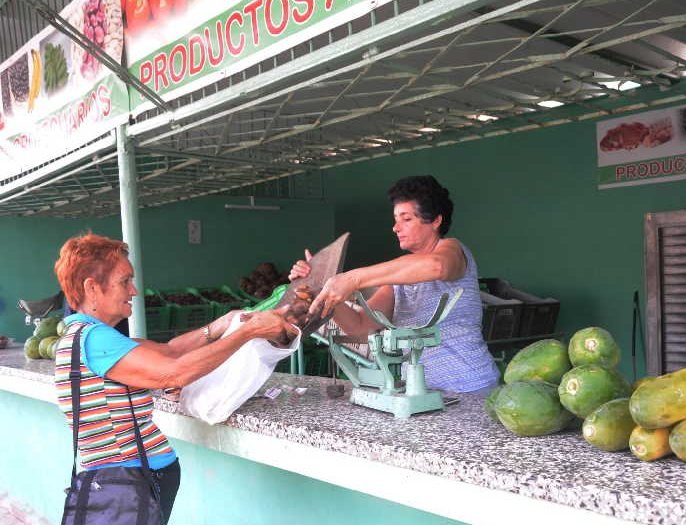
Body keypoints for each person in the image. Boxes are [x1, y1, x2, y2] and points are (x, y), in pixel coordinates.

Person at [53, 232, 296, 523]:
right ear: (92, 288)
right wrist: (248, 333)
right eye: (124, 281)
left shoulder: (86, 335)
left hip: (127, 485)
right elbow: (175, 372)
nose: (134, 291)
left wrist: (223, 325)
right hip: (126, 487)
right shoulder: (95, 340)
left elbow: (169, 351)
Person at [290, 175, 499, 393]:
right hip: (418, 392)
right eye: (396, 219)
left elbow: (437, 267)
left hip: (470, 388)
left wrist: (352, 279)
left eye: (406, 219)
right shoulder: (400, 279)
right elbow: (362, 326)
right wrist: (322, 288)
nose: (395, 228)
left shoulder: (453, 251)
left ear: (436, 220)